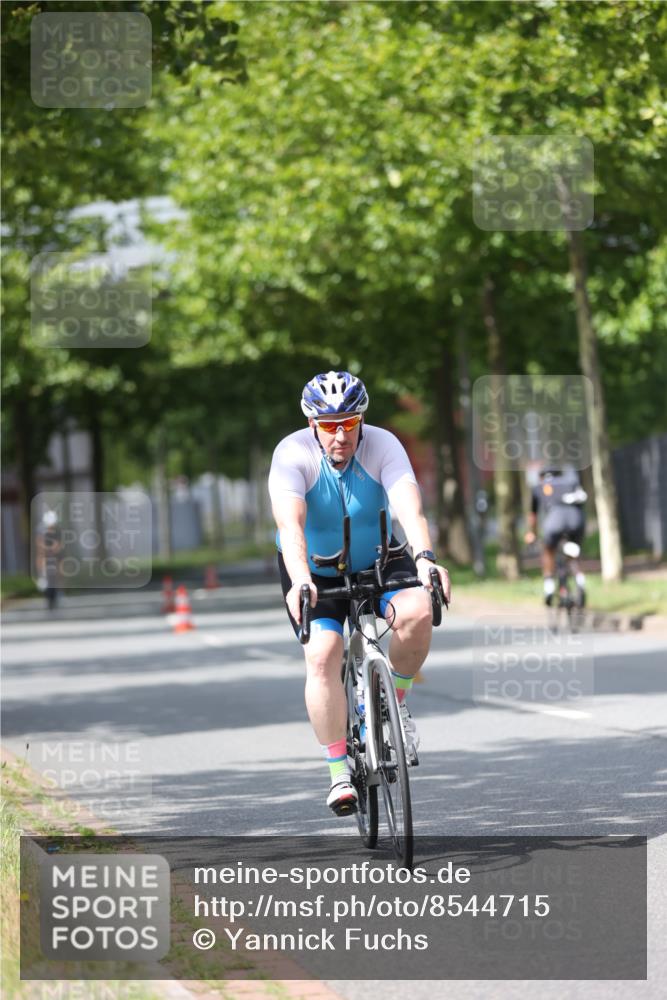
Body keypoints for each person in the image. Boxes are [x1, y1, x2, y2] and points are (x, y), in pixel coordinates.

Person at [268, 371, 451, 816]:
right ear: (312, 424)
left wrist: (425, 557)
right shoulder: (292, 454)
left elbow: (409, 503)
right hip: (314, 570)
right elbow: (290, 526)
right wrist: (300, 578)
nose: (340, 434)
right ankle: (337, 772)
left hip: (381, 557)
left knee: (419, 610)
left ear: (361, 420)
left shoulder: (383, 444)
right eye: (330, 425)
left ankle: (395, 708)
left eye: (349, 423)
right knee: (323, 653)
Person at [524, 464, 587, 607]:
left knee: (548, 550)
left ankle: (549, 586)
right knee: (573, 554)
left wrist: (531, 533)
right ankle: (580, 579)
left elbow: (533, 516)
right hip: (576, 520)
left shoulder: (538, 487)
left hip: (555, 520)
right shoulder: (569, 481)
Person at [35, 510, 63, 611]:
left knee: (58, 573)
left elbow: (59, 545)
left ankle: (58, 593)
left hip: (55, 557)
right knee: (46, 577)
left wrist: (55, 548)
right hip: (46, 557)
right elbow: (40, 545)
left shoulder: (57, 530)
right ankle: (48, 597)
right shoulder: (42, 531)